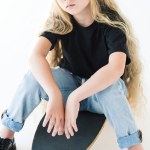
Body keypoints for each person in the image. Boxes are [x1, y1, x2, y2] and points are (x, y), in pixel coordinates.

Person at [0, 0, 145, 149]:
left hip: (100, 95)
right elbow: (35, 56)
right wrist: (55, 94)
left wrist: (75, 98)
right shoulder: (61, 21)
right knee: (33, 77)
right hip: (69, 87)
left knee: (110, 88)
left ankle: (134, 146)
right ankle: (6, 140)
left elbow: (116, 68)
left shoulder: (112, 22)